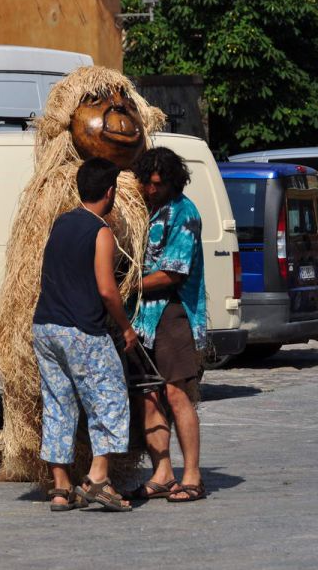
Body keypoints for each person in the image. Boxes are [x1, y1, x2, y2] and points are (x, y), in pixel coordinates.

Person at [31, 157, 137, 512]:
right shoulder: (100, 231)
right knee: (110, 399)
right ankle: (98, 479)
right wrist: (125, 327)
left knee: (59, 404)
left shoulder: (60, 223)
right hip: (81, 330)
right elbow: (107, 290)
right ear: (110, 192)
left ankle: (61, 488)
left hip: (45, 328)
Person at [128, 147, 208, 502]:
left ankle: (192, 476)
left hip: (173, 312)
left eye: (158, 184)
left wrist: (125, 286)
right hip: (142, 318)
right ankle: (163, 473)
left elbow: (173, 272)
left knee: (177, 395)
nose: (151, 190)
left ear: (173, 182)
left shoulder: (185, 212)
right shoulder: (144, 210)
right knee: (149, 396)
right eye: (147, 183)